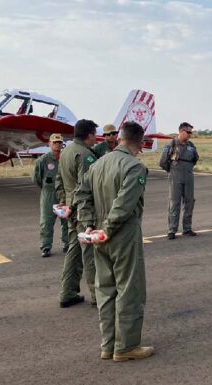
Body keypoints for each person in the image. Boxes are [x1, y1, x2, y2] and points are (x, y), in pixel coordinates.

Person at [74, 121, 154, 362]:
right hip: (122, 233)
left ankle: (108, 345)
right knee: (129, 290)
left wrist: (89, 225)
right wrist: (107, 229)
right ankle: (126, 346)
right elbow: (124, 204)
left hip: (98, 233)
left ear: (119, 138)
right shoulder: (134, 167)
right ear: (139, 143)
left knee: (106, 290)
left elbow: (81, 194)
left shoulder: (98, 164)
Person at [55, 119, 99, 308]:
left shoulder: (66, 152)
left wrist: (66, 203)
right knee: (89, 252)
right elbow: (86, 186)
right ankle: (98, 296)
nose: (95, 139)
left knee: (74, 249)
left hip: (71, 209)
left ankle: (68, 292)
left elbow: (59, 181)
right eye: (94, 135)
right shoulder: (85, 155)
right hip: (82, 210)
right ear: (89, 135)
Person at [159, 122, 198, 239]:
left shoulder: (191, 145)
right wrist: (172, 171)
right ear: (181, 131)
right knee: (174, 202)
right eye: (188, 132)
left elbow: (195, 159)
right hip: (175, 175)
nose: (190, 134)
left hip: (188, 175)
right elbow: (162, 162)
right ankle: (172, 229)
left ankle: (187, 228)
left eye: (191, 132)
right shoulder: (171, 144)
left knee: (189, 201)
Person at [33, 134, 69, 257]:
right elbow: (37, 178)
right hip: (49, 194)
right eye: (54, 142)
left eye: (59, 142)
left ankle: (67, 244)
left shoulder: (66, 158)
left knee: (66, 220)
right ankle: (46, 246)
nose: (57, 145)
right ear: (49, 144)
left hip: (63, 194)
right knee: (47, 221)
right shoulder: (43, 160)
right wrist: (46, 189)